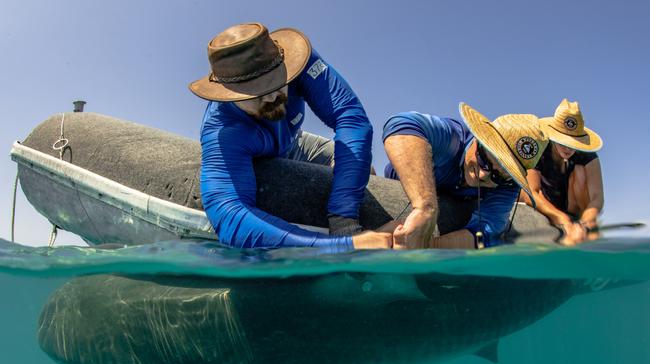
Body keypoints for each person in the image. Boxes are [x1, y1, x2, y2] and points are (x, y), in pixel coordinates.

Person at [188, 22, 391, 251]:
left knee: (365, 168)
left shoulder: (298, 61)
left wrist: (343, 218)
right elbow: (230, 217)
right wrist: (341, 246)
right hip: (254, 155)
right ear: (228, 92)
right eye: (255, 91)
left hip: (297, 142)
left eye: (276, 81)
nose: (272, 95)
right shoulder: (221, 131)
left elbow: (351, 118)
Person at [383, 103, 548, 249]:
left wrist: (425, 246)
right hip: (395, 177)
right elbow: (402, 123)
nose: (483, 174)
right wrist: (425, 208)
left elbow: (487, 233)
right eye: (484, 159)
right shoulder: (454, 138)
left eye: (497, 176)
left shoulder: (508, 184)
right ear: (477, 140)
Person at [520, 99, 604, 245]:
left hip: (576, 209)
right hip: (547, 204)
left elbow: (597, 198)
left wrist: (585, 222)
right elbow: (529, 194)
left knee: (579, 171)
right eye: (563, 141)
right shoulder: (538, 151)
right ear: (553, 135)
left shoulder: (587, 156)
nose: (568, 148)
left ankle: (581, 224)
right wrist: (562, 220)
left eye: (573, 142)